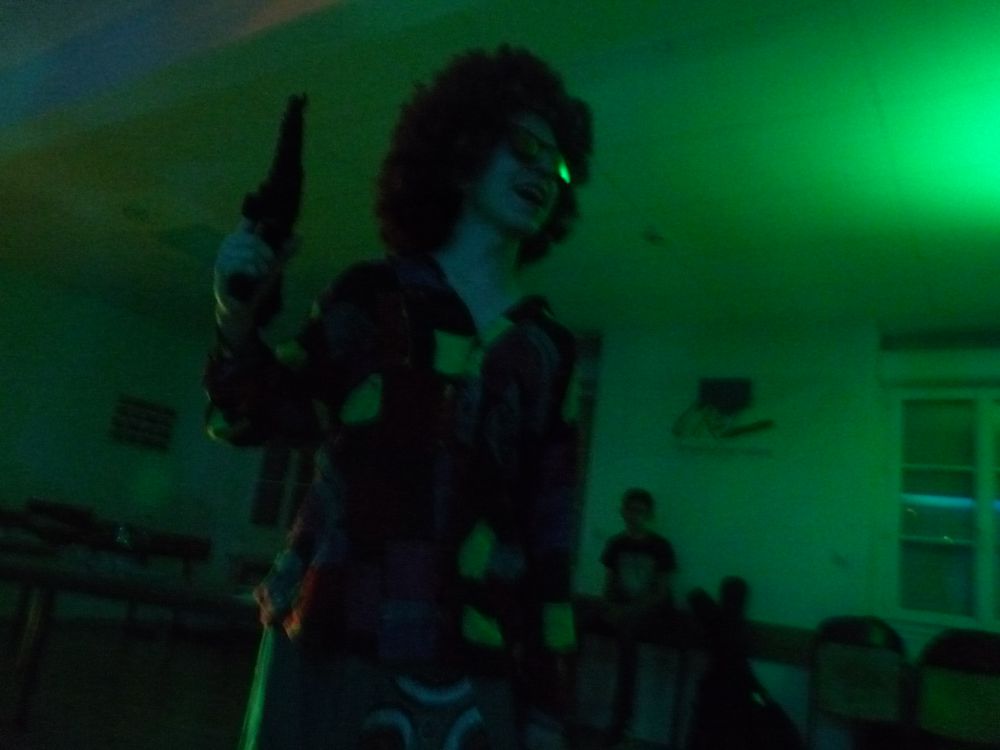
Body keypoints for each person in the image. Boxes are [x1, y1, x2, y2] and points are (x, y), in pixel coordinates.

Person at [204, 45, 593, 750]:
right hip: (331, 634)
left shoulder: (547, 352)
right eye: (525, 146)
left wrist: (548, 711)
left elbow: (551, 543)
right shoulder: (371, 298)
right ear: (463, 152)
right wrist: (236, 320)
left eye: (560, 163)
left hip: (472, 658)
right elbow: (243, 417)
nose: (545, 169)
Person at [598, 488, 677, 747]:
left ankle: (622, 722)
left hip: (651, 614)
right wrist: (609, 607)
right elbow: (608, 586)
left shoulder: (660, 546)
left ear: (649, 514)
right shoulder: (616, 544)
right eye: (629, 510)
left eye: (639, 511)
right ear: (622, 512)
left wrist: (625, 611)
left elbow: (661, 594)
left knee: (628, 634)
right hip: (623, 611)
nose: (633, 516)